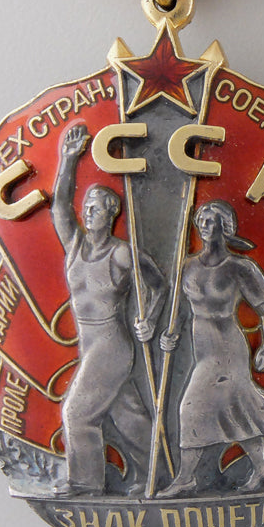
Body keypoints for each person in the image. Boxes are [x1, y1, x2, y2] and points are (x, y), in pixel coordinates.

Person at [52, 123, 165, 495]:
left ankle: (85, 482)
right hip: (90, 345)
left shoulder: (121, 254)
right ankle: (159, 472)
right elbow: (59, 207)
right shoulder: (74, 246)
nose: (88, 213)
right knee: (128, 415)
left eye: (96, 208)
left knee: (77, 414)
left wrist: (151, 318)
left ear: (111, 213)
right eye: (86, 207)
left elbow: (159, 283)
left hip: (111, 345)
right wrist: (68, 161)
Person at [157, 200, 264, 496]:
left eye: (212, 221)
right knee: (238, 409)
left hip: (228, 347)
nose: (205, 226)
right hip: (202, 348)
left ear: (225, 227)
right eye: (202, 221)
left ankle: (186, 478)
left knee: (190, 408)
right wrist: (170, 334)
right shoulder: (187, 266)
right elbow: (179, 309)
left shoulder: (239, 267)